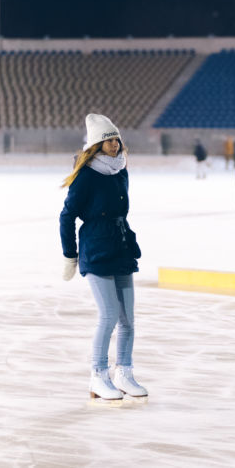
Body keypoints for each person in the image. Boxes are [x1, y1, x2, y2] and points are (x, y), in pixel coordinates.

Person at [59, 113, 147, 402]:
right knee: (108, 315)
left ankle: (124, 372)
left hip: (121, 246)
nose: (114, 144)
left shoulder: (121, 169)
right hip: (96, 249)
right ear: (96, 145)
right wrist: (70, 255)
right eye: (108, 140)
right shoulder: (85, 176)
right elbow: (67, 215)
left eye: (116, 138)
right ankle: (98, 374)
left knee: (128, 319)